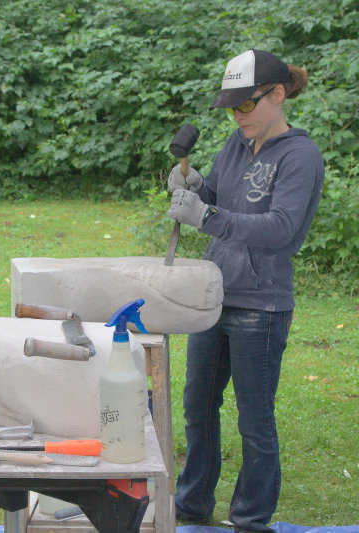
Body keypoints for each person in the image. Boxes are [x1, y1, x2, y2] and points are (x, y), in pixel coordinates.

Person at [166, 49, 324, 532]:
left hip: (262, 305)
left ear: (277, 95)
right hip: (214, 297)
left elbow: (279, 229)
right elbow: (215, 192)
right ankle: (192, 507)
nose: (238, 116)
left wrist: (206, 216)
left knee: (255, 422)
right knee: (197, 409)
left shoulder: (300, 156)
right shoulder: (238, 142)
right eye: (232, 108)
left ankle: (251, 520)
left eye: (246, 105)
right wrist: (193, 185)